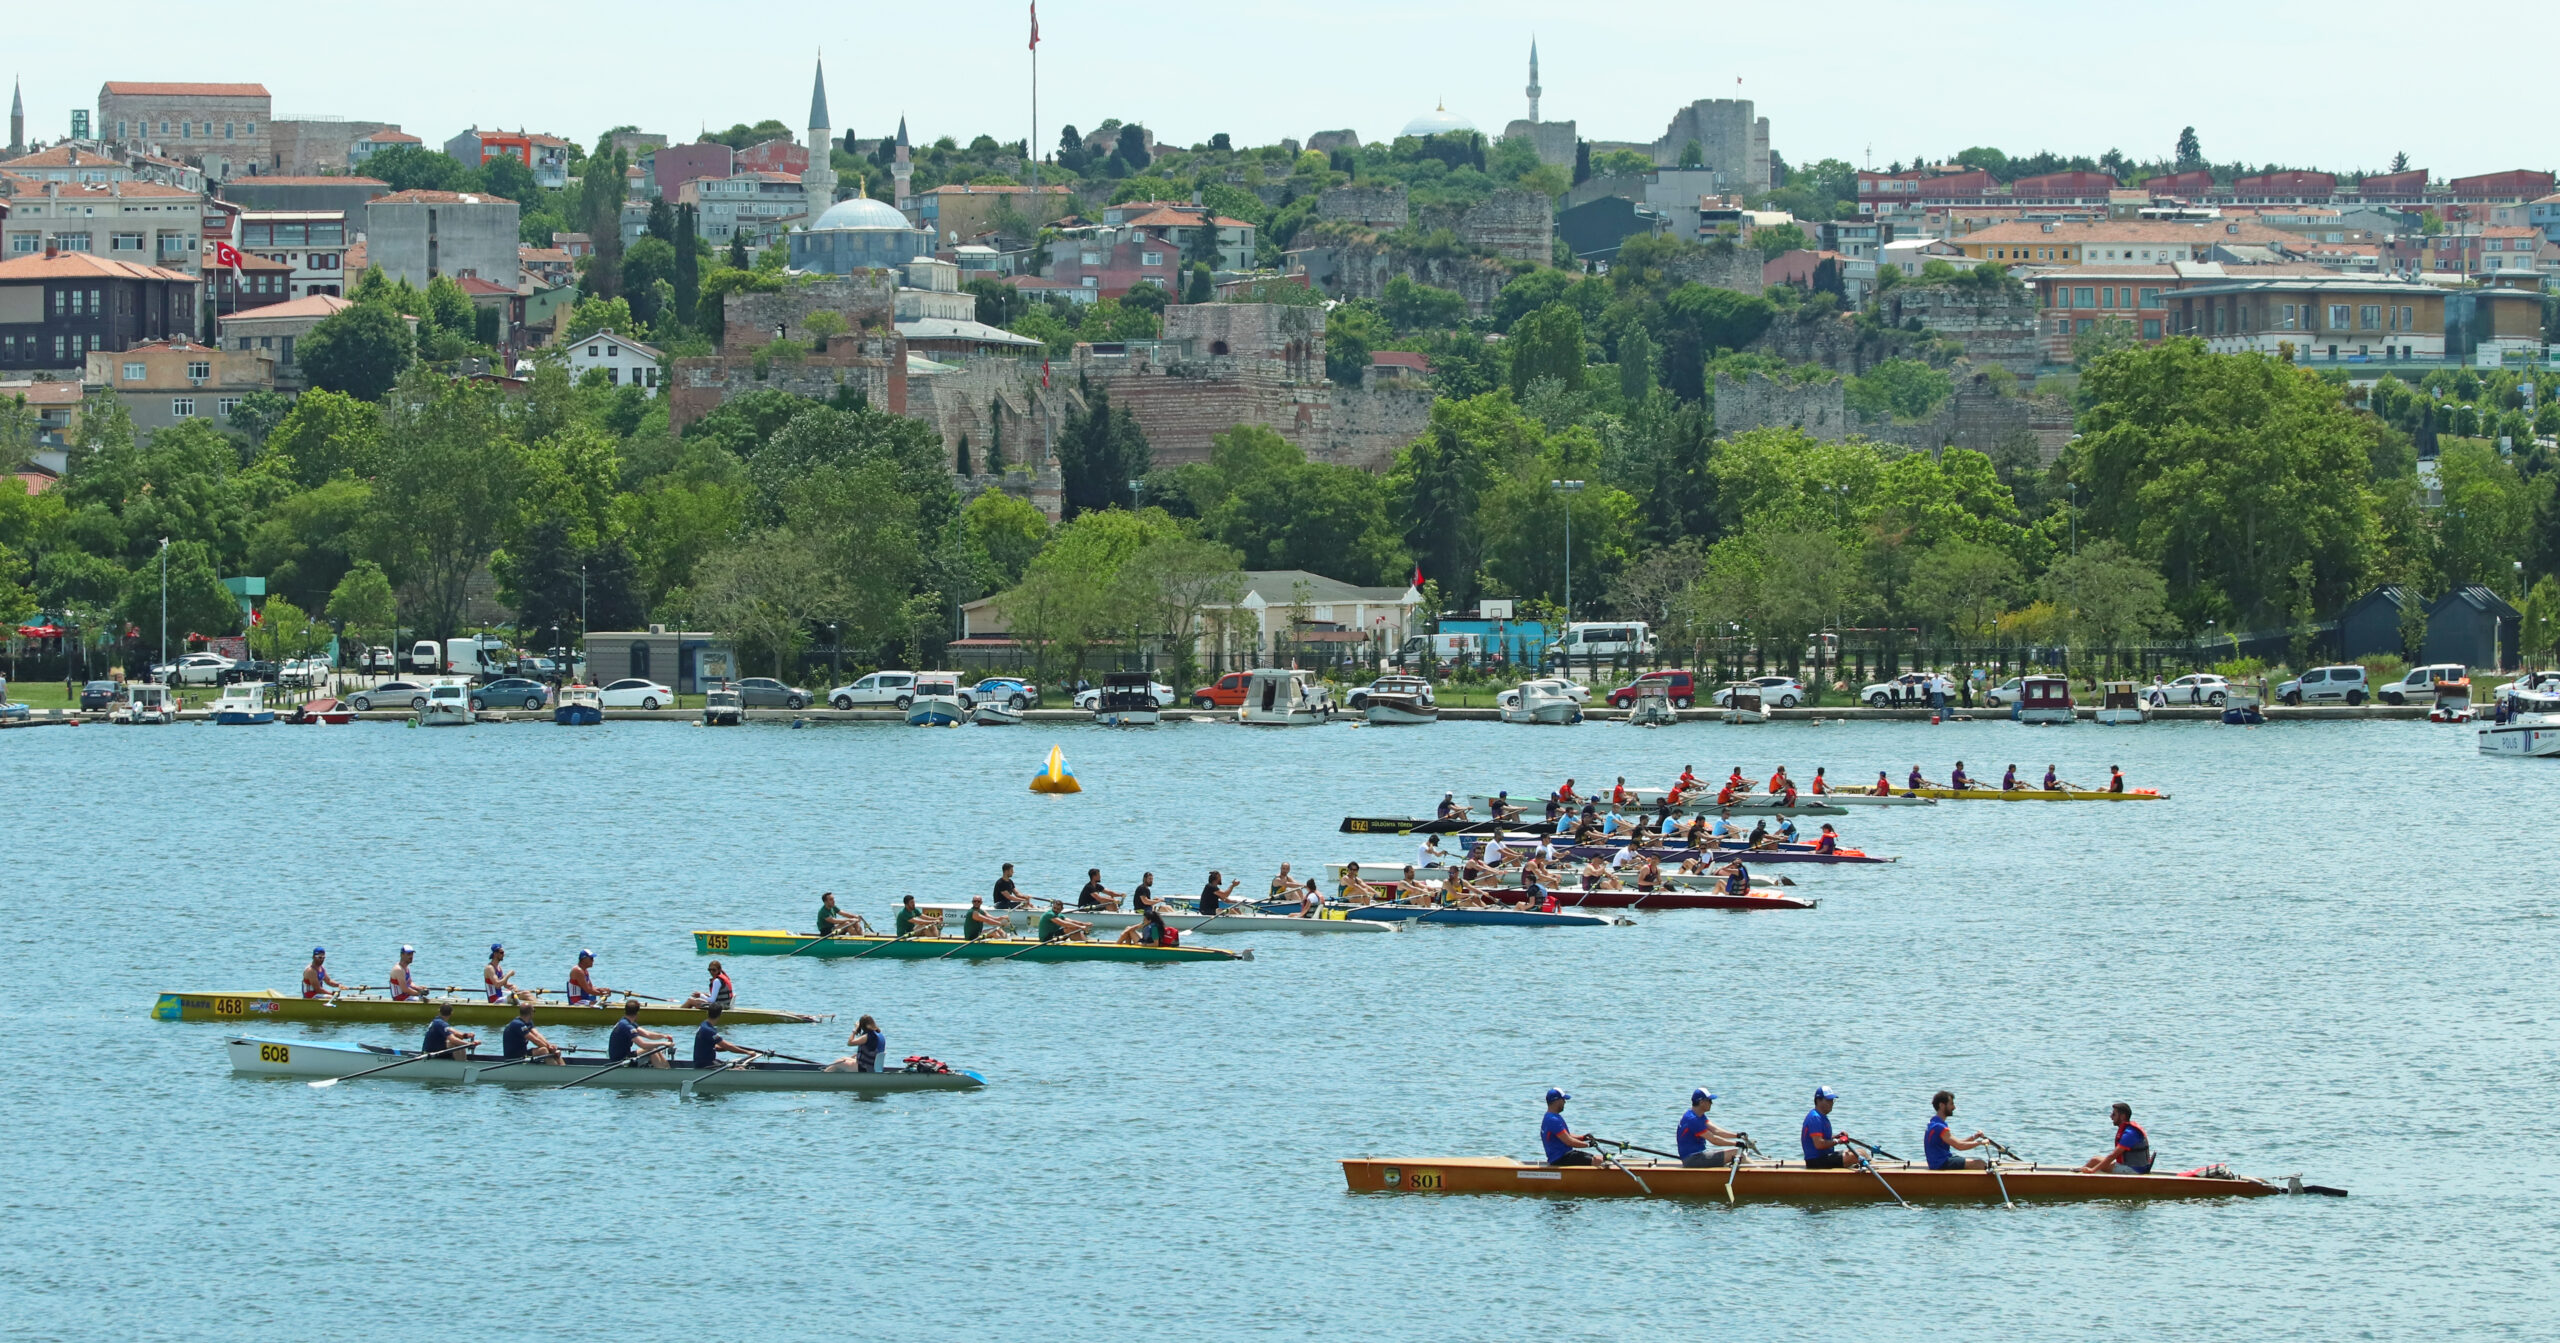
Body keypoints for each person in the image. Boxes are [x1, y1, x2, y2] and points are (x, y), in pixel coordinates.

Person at [1677, 1089, 1749, 1168]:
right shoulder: (1693, 1119)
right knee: (1737, 1153)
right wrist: (1736, 1144)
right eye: (1709, 1100)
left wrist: (1737, 1135)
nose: (1712, 1103)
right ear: (1701, 1102)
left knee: (1735, 1154)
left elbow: (1716, 1131)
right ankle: (1760, 1174)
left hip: (1697, 1156)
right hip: (1693, 1159)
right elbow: (1714, 1140)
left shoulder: (1697, 1115)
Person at [2079, 1102, 2154, 1174]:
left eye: (2114, 1114)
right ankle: (2080, 1173)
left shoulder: (2130, 1133)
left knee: (2094, 1161)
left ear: (2122, 1116)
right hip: (2137, 1168)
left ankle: (2077, 1177)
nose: (2111, 1117)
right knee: (2095, 1159)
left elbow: (2113, 1155)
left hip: (2134, 1170)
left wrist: (2093, 1170)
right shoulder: (2130, 1130)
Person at [1924, 1091, 1991, 1170]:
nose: (1954, 1107)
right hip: (1941, 1163)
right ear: (1941, 1105)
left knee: (1975, 1161)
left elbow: (1957, 1142)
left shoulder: (1934, 1122)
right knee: (1980, 1164)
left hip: (1939, 1161)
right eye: (1951, 1104)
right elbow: (1959, 1146)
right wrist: (1980, 1143)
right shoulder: (1940, 1127)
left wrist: (1974, 1137)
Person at [607, 1000, 672, 1068]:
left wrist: (664, 1036)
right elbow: (643, 1045)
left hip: (625, 1056)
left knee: (654, 1048)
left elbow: (648, 1034)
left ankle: (667, 1070)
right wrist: (663, 1043)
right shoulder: (626, 1026)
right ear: (637, 1013)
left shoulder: (627, 1022)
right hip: (619, 1062)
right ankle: (662, 1073)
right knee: (651, 1049)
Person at [1541, 1088, 1597, 1166]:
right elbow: (1569, 1141)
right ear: (1556, 1101)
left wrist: (1583, 1138)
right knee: (1597, 1160)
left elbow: (1566, 1135)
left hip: (1564, 1156)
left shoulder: (1550, 1117)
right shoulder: (1553, 1120)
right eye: (1563, 1099)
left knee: (1598, 1158)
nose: (1565, 1102)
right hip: (1561, 1158)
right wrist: (1588, 1145)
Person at [1801, 1087, 1854, 1169]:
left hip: (1824, 1157)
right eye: (1828, 1100)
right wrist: (1838, 1141)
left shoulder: (1822, 1117)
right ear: (1818, 1100)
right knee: (1857, 1155)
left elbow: (1824, 1139)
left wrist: (1837, 1136)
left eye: (1832, 1100)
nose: (1831, 1103)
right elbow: (1819, 1144)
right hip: (1816, 1161)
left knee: (1861, 1152)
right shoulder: (1815, 1118)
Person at [692, 1005, 758, 1069]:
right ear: (720, 1014)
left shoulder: (704, 1024)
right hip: (705, 1064)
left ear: (708, 1012)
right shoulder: (709, 1030)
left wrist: (729, 1047)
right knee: (739, 1068)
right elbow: (728, 1046)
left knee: (732, 1064)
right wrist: (747, 1052)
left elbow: (716, 1047)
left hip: (704, 1062)